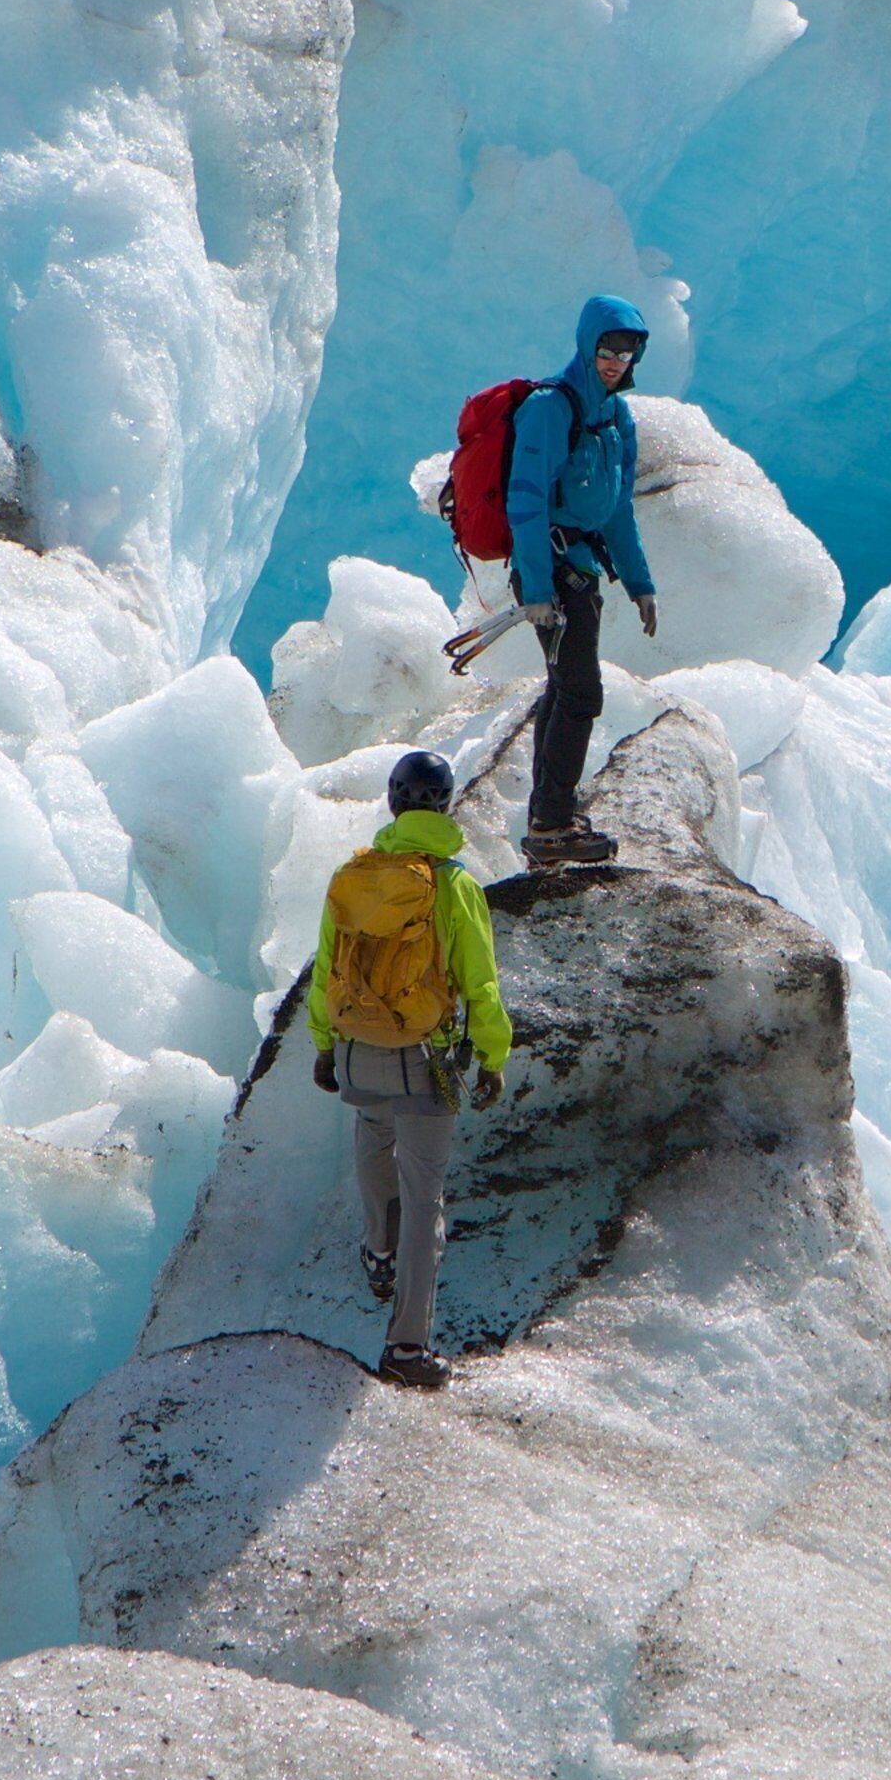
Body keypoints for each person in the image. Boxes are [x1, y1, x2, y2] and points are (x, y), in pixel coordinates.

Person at [307, 749, 509, 1388]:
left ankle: (378, 1250)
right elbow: (480, 982)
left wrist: (322, 1044)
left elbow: (325, 968)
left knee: (373, 1139)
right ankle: (406, 1349)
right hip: (427, 1056)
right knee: (425, 1197)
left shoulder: (352, 875)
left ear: (393, 803)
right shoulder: (455, 886)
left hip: (358, 1048)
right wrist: (493, 1056)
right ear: (444, 806)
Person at [508, 293, 660, 866]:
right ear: (586, 344)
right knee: (580, 692)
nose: (616, 360)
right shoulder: (551, 408)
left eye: (627, 351)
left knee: (564, 687)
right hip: (551, 568)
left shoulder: (616, 417)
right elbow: (524, 500)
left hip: (580, 567)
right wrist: (539, 588)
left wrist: (639, 582)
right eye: (607, 348)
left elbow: (618, 509)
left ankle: (548, 819)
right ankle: (551, 825)